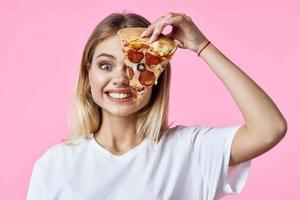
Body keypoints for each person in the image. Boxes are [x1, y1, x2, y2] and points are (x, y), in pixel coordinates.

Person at [26, 12, 287, 200]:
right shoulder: (54, 165)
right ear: (88, 75)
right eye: (106, 65)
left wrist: (201, 46)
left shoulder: (191, 151)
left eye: (135, 64)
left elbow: (270, 128)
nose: (120, 77)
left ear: (156, 77)